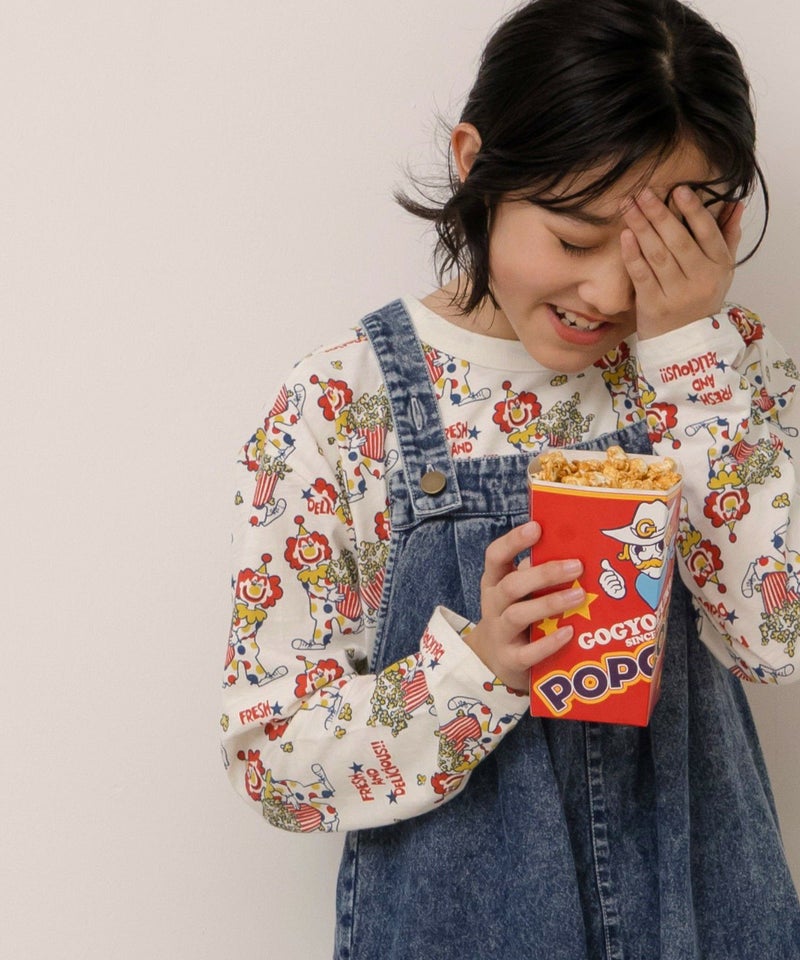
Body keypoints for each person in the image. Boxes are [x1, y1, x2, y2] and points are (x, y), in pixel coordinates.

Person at [221, 0, 800, 956]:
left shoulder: (721, 371)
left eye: (653, 248)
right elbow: (272, 757)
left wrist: (690, 356)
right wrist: (474, 673)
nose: (608, 293)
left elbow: (775, 643)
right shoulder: (343, 404)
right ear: (473, 163)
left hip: (704, 919)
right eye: (574, 239)